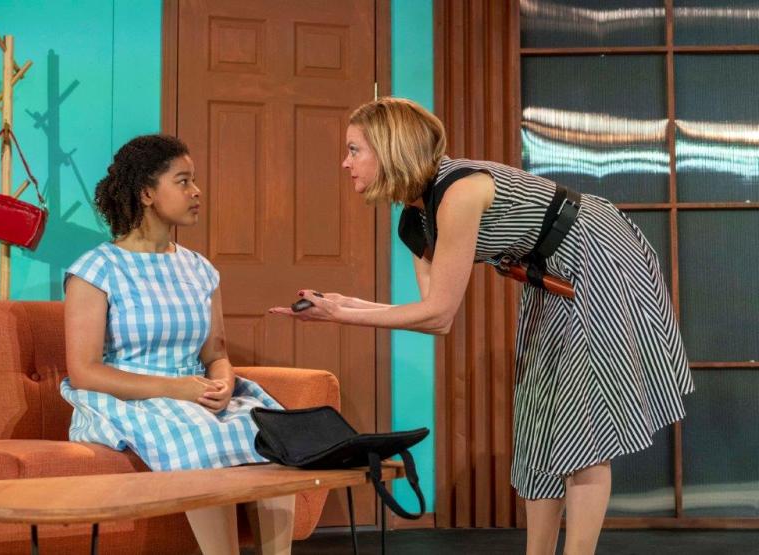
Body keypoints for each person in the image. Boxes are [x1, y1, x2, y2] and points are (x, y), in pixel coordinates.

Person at [270, 97, 693, 555]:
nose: (345, 162)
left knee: (580, 423)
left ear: (391, 148)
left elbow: (439, 313)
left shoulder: (460, 192)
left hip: (596, 248)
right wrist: (344, 303)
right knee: (538, 420)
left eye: (355, 150)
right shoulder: (415, 222)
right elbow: (436, 319)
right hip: (547, 270)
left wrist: (341, 314)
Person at [62, 134, 294, 555]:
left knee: (278, 437)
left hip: (192, 394)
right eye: (183, 181)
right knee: (203, 437)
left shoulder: (199, 269)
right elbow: (84, 371)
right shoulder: (96, 269)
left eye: (194, 181)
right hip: (125, 398)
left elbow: (216, 354)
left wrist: (221, 383)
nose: (196, 191)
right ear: (147, 193)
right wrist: (177, 389)